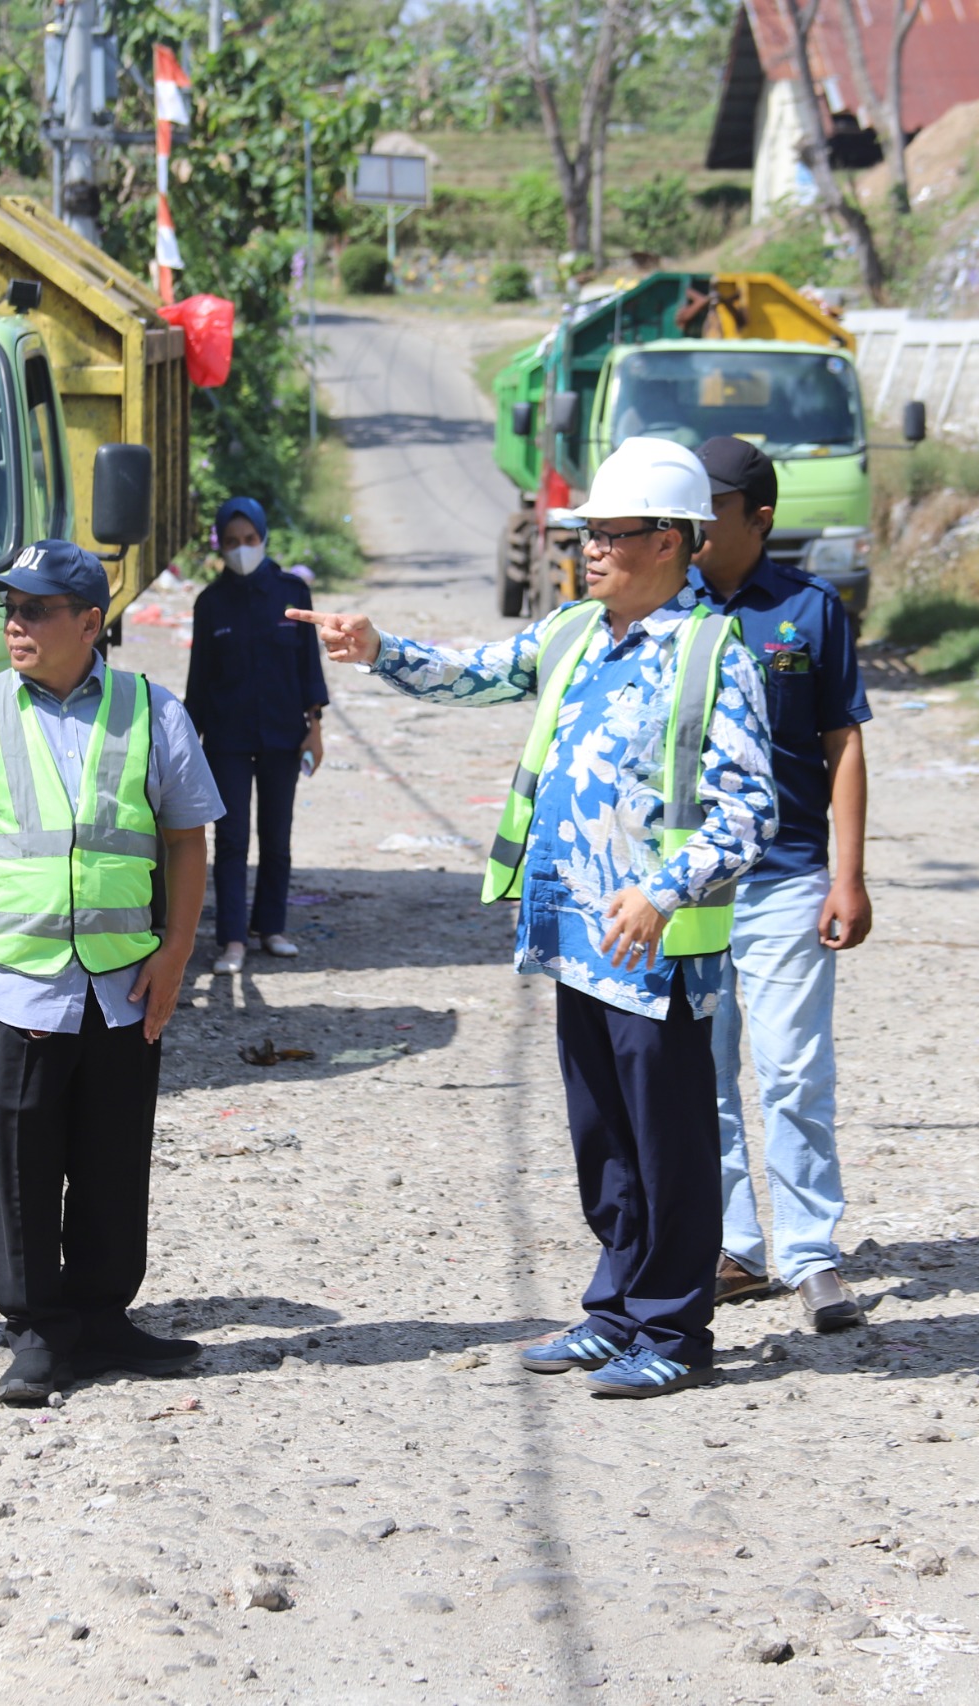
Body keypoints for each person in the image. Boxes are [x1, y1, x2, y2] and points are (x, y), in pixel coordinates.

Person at [292, 438, 776, 1398]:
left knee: (667, 1145)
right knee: (604, 1144)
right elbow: (474, 671)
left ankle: (676, 1332)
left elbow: (750, 810)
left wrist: (665, 890)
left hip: (656, 950)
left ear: (674, 542)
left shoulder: (713, 654)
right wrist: (378, 650)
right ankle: (616, 1310)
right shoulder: (573, 634)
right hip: (574, 939)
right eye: (584, 533)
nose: (589, 549)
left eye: (611, 534)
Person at [0, 540, 219, 1408]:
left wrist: (176, 951)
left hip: (120, 981)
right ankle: (36, 1330)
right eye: (10, 609)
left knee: (113, 1159)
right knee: (24, 1166)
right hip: (13, 982)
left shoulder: (152, 712)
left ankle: (103, 1317)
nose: (15, 624)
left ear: (89, 623)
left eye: (34, 610)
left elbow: (187, 840)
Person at [688, 437, 873, 1333]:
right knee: (704, 1072)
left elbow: (843, 741)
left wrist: (850, 875)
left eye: (709, 507)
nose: (689, 522)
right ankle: (733, 1248)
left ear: (758, 518)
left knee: (794, 1069)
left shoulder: (809, 610)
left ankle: (810, 1255)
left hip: (790, 874)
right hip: (688, 885)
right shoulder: (665, 604)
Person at [186, 495, 328, 975]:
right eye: (231, 542)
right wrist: (188, 744)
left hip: (284, 735)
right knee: (229, 839)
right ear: (219, 546)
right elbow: (198, 680)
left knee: (277, 836)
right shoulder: (209, 603)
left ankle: (272, 928)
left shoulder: (292, 593)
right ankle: (231, 940)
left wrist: (316, 729)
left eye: (249, 540)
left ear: (263, 538)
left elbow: (309, 664)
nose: (241, 549)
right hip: (225, 738)